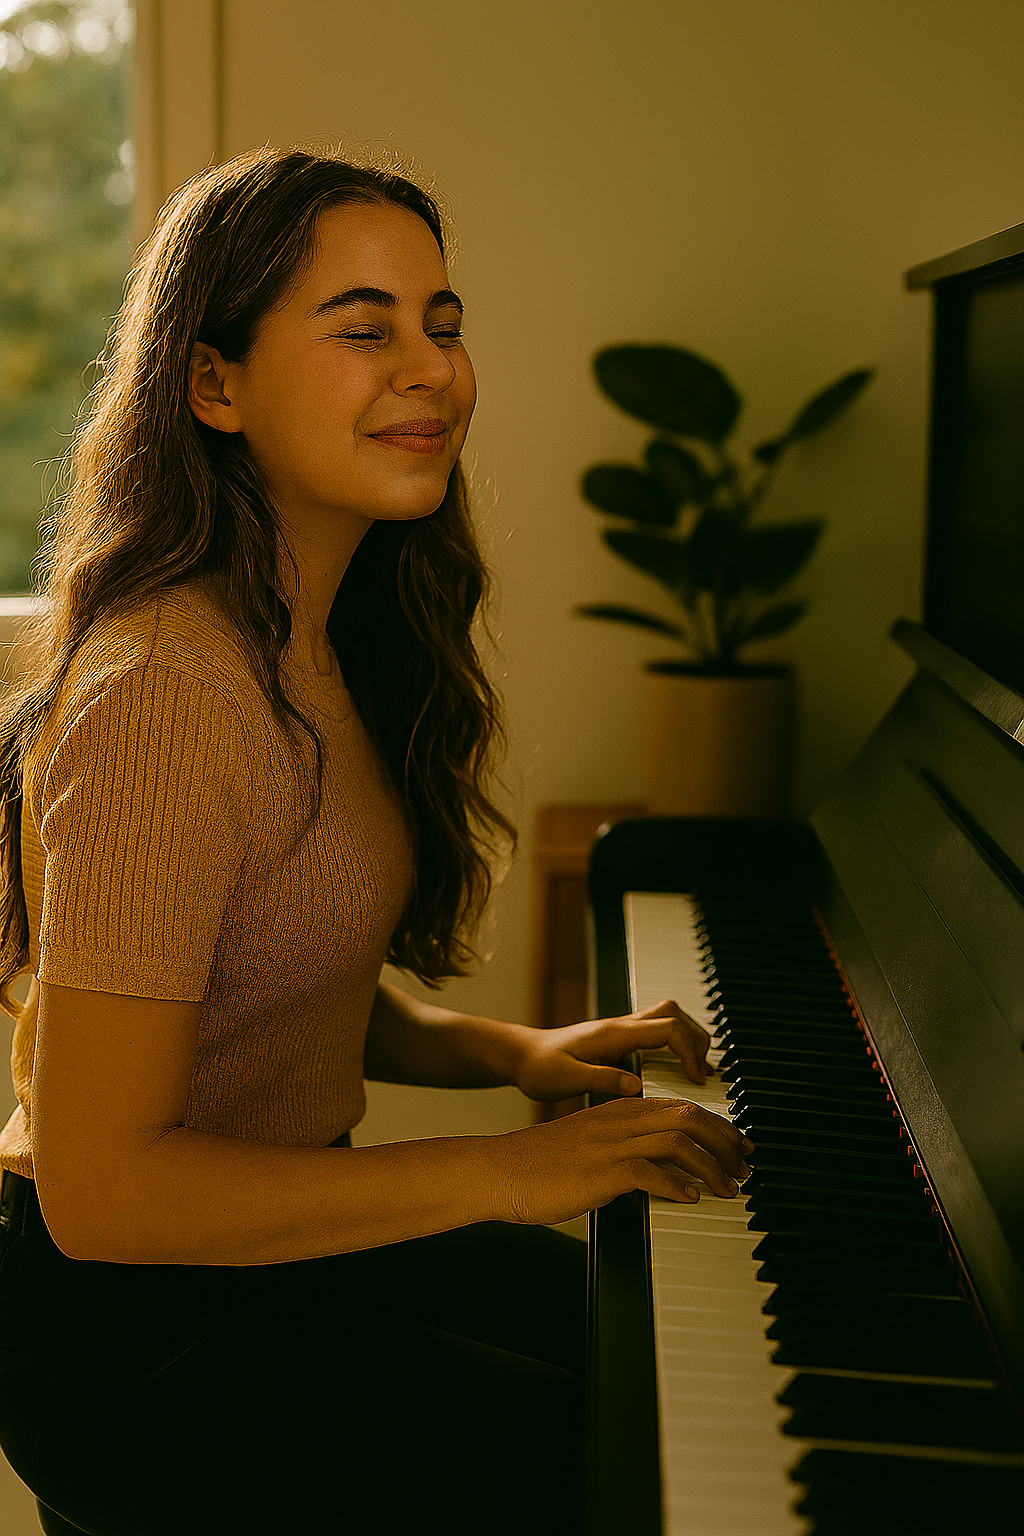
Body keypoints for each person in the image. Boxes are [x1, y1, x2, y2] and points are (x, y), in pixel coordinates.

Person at [0, 147, 751, 1536]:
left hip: (284, 1242)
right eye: (363, 328)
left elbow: (275, 960)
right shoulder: (164, 700)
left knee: (641, 1348)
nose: (429, 368)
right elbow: (102, 1196)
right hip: (138, 1334)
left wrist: (507, 1056)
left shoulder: (320, 635)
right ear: (211, 386)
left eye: (442, 323)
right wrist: (509, 1170)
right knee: (624, 1463)